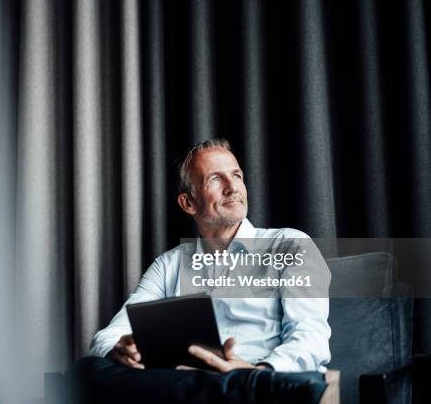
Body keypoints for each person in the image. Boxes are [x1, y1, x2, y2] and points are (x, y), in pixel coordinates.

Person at [69, 139, 336, 403]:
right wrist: (120, 350)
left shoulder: (288, 245)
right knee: (85, 370)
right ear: (188, 203)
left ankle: (240, 386)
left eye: (236, 175)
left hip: (259, 377)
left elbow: (309, 336)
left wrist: (258, 373)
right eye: (216, 180)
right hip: (180, 382)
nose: (233, 188)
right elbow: (108, 336)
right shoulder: (168, 265)